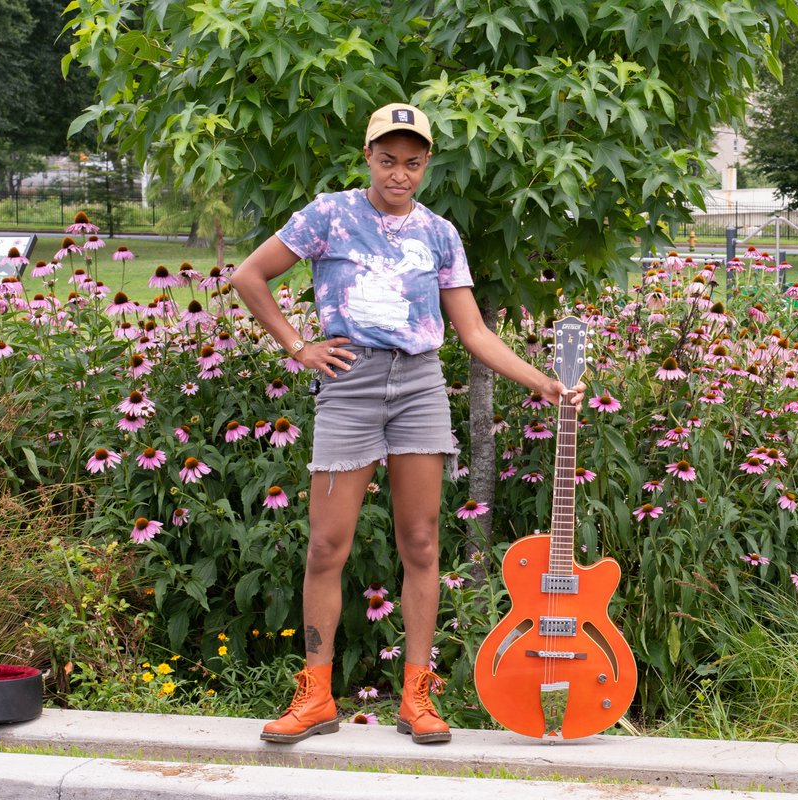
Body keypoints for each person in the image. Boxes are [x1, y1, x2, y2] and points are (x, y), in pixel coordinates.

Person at [229, 103, 583, 745]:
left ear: (426, 165)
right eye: (388, 160)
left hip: (419, 385)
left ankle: (416, 696)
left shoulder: (440, 234)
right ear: (368, 156)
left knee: (419, 543)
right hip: (349, 383)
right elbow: (248, 277)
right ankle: (314, 695)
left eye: (413, 162)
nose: (400, 173)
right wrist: (298, 346)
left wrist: (545, 383)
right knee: (325, 545)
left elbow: (472, 330)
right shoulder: (329, 215)